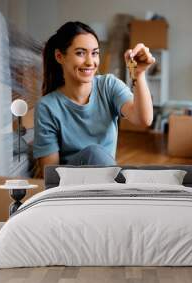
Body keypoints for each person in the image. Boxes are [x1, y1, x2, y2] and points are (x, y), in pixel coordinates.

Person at [33, 21, 155, 172]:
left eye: (95, 53)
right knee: (94, 153)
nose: (90, 62)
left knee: (97, 156)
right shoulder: (47, 107)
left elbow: (144, 119)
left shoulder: (108, 86)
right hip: (70, 186)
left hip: (104, 180)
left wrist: (139, 74)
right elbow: (50, 174)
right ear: (59, 56)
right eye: (80, 53)